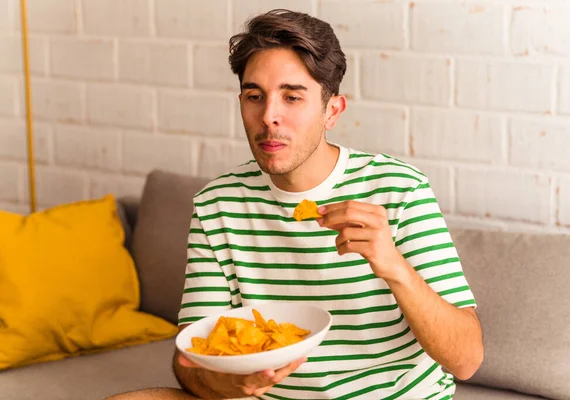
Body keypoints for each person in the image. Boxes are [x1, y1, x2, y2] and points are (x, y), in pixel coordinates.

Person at [108, 8, 483, 400]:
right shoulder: (217, 204)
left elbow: (467, 359)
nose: (269, 117)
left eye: (292, 97)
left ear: (331, 111)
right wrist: (233, 383)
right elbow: (193, 361)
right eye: (255, 96)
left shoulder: (400, 189)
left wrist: (394, 267)